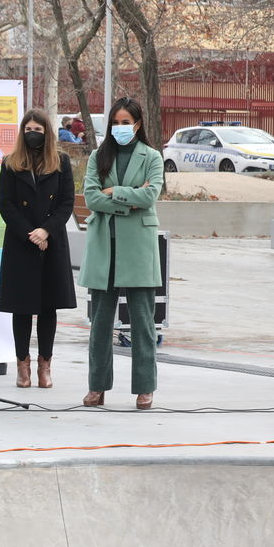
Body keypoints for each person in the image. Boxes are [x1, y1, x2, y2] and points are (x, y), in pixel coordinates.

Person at [78, 97, 164, 409]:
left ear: (137, 124)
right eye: (115, 123)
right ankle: (97, 387)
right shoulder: (98, 156)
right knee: (100, 323)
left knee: (143, 322)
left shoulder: (152, 157)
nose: (119, 128)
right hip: (105, 246)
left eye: (125, 122)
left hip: (138, 248)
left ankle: (145, 387)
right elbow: (91, 198)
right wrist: (130, 199)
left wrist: (115, 192)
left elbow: (150, 196)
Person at [0, 108, 77, 388]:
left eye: (38, 130)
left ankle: (45, 366)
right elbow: (5, 204)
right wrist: (30, 234)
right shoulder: (10, 163)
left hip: (51, 242)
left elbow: (66, 202)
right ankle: (23, 366)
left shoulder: (61, 162)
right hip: (21, 243)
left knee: (47, 307)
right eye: (28, 129)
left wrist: (46, 230)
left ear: (47, 133)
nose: (33, 134)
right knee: (21, 308)